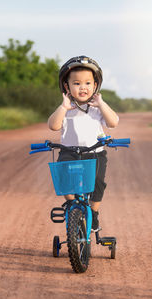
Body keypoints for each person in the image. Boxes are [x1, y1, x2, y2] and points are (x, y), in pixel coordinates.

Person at [48, 55, 119, 232]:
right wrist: (63, 107)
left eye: (88, 83)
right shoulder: (66, 108)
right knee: (63, 179)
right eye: (77, 83)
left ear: (95, 86)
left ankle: (93, 212)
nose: (83, 87)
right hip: (69, 152)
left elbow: (113, 122)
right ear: (67, 86)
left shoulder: (97, 108)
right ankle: (72, 203)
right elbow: (53, 125)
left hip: (95, 153)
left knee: (98, 183)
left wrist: (101, 104)